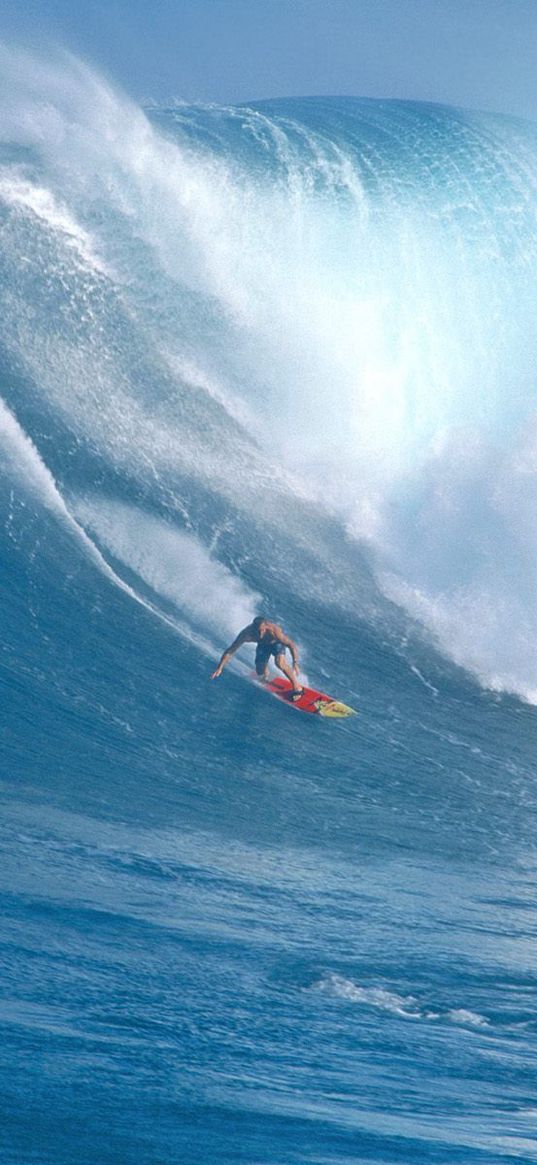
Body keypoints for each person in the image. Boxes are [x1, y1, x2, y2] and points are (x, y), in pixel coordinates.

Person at [211, 616, 304, 700]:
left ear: (266, 626)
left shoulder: (274, 630)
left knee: (280, 663)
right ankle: (266, 674)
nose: (261, 634)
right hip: (263, 646)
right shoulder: (246, 634)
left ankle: (297, 688)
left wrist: (295, 662)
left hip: (276, 644)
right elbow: (231, 650)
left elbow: (291, 644)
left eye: (263, 630)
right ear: (253, 628)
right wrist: (220, 668)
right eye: (258, 631)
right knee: (260, 671)